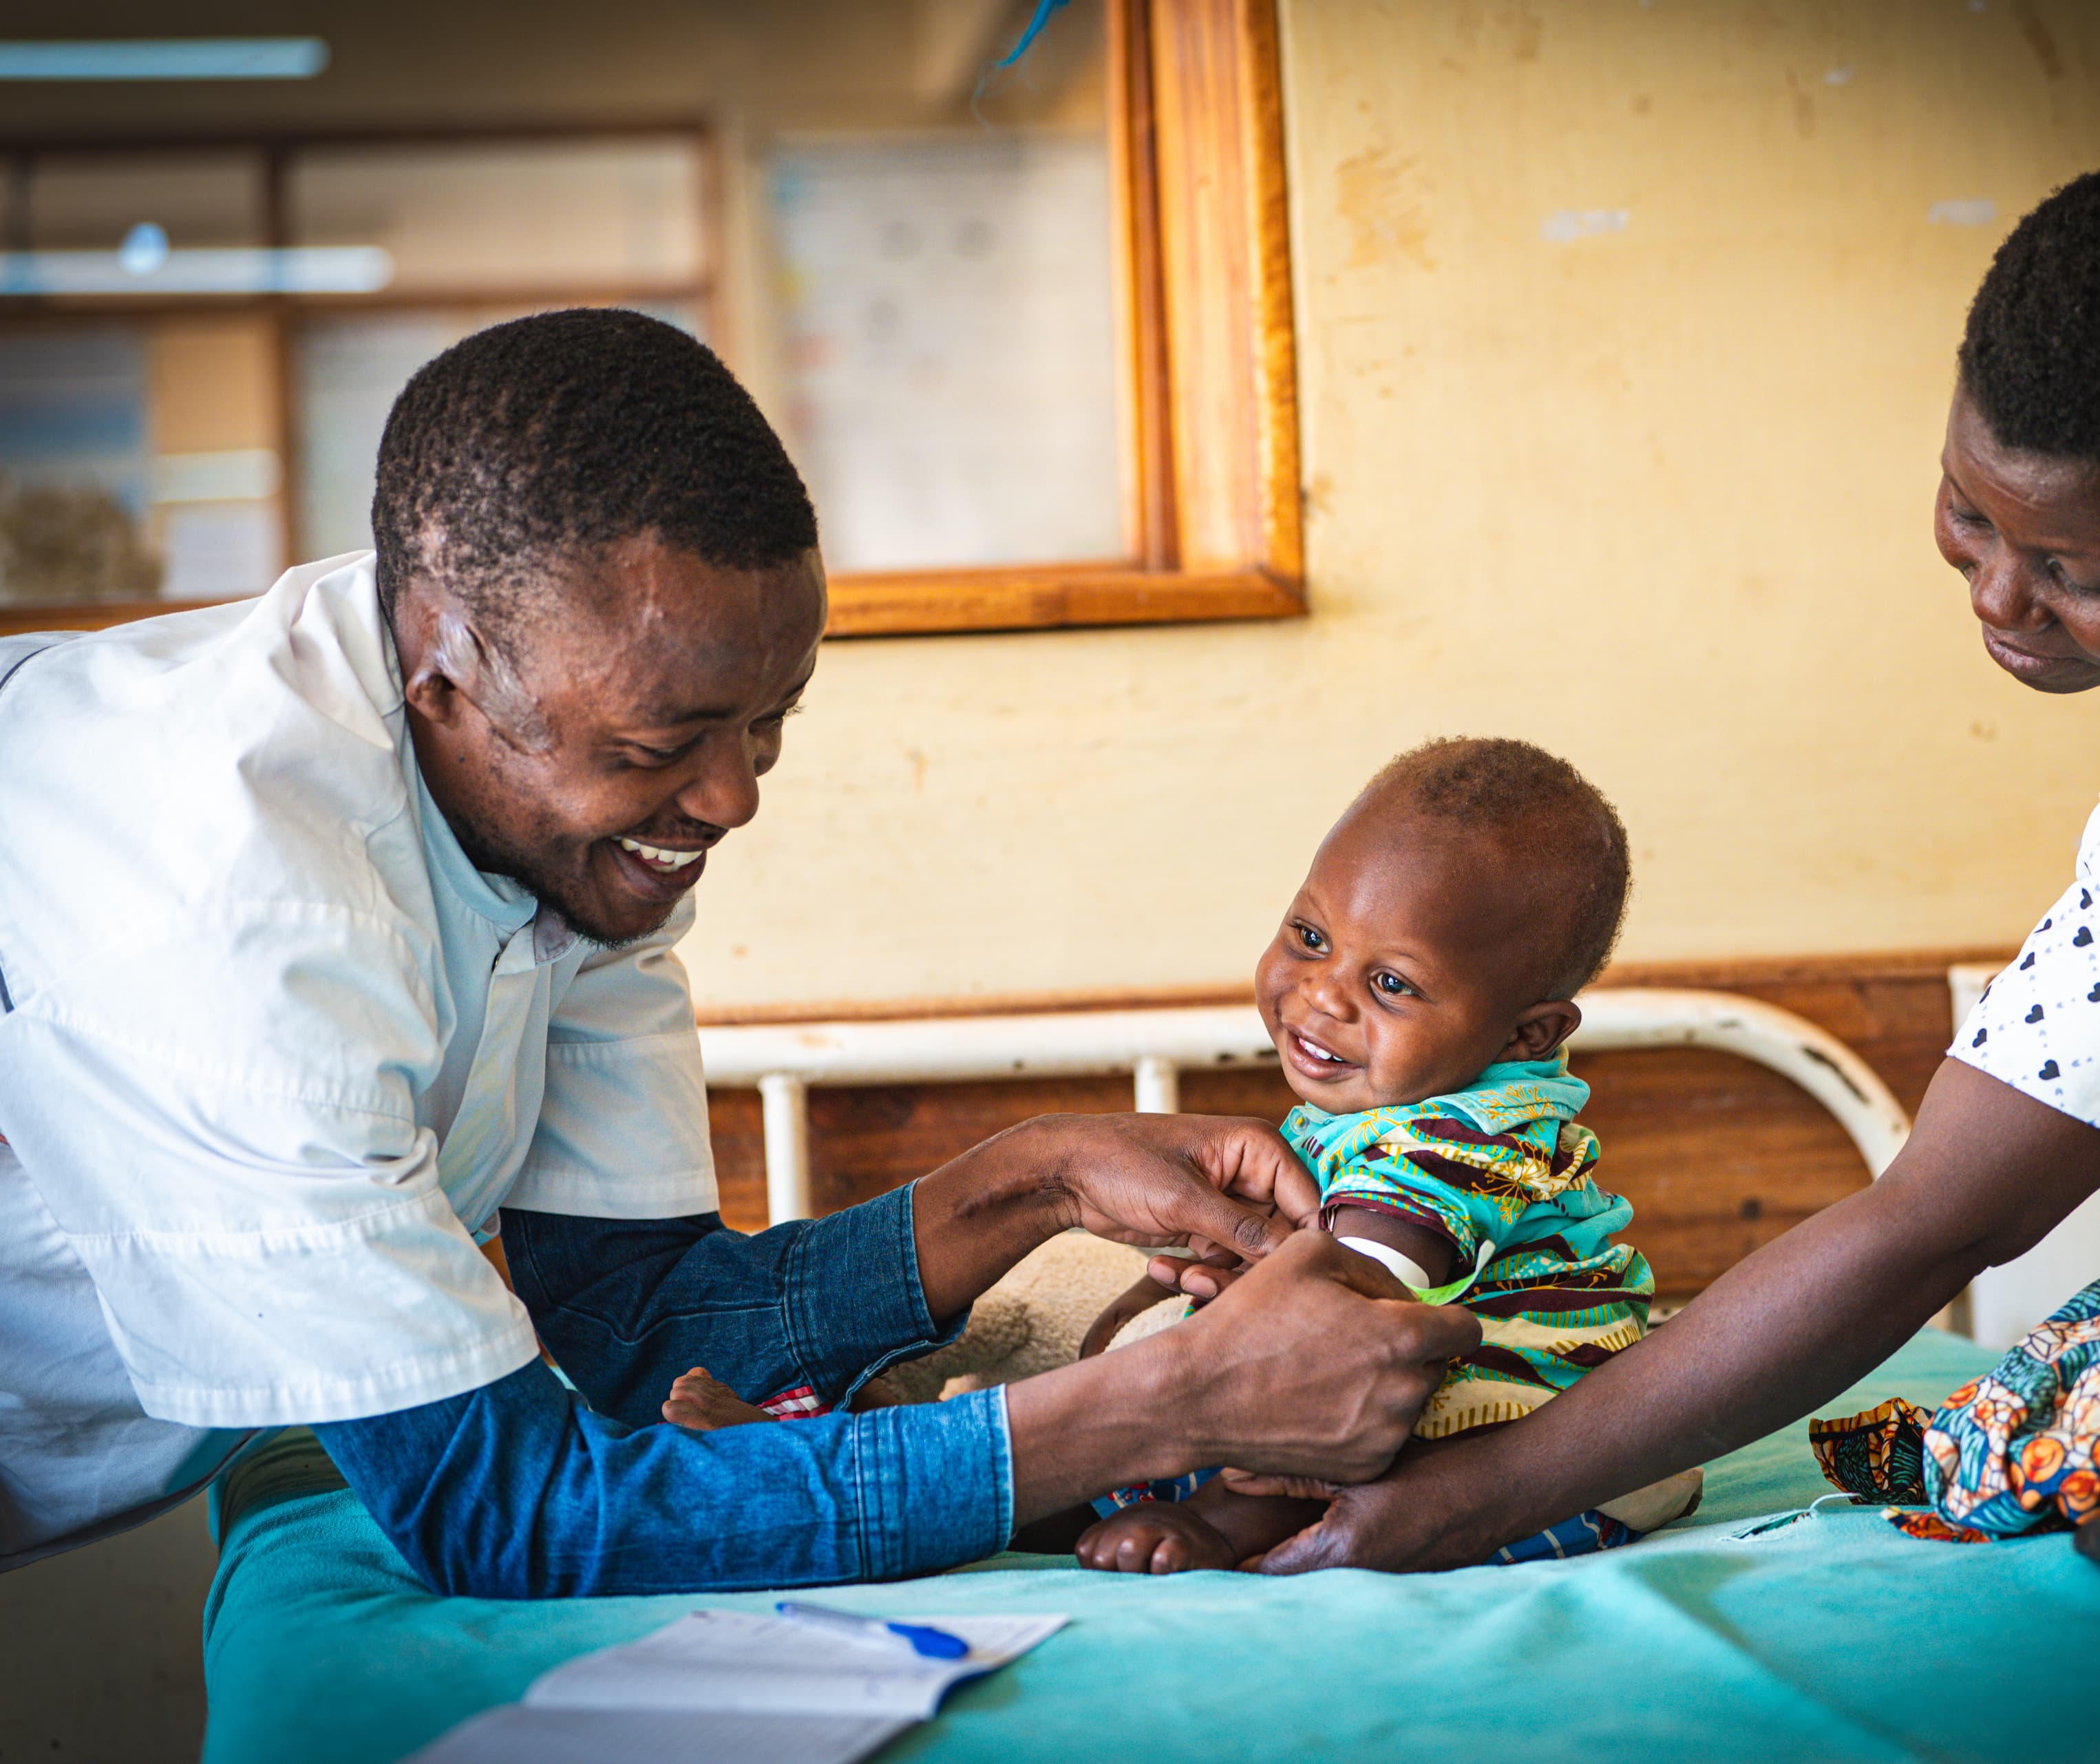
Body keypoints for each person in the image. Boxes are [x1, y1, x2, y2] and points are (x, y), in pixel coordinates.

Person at [1259, 153, 2100, 1575]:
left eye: (2087, 573)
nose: (1999, 596)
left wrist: (1467, 1500)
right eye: (1971, 510)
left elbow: (1936, 1223)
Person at [0, 308, 1476, 1594]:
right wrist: (1165, 1412)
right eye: (666, 744)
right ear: (442, 666)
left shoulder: (559, 805)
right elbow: (505, 1512)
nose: (732, 799)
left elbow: (642, 1322)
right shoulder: (236, 914)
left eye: (770, 721)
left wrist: (1038, 1174)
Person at [673, 737, 1694, 1572]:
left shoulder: (1464, 1137)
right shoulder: (1407, 1106)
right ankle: (861, 1443)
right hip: (1444, 1398)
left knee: (1242, 1401)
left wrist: (1191, 1336)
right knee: (1119, 1399)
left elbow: (1327, 1321)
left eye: (1393, 986)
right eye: (1309, 935)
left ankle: (1198, 1525)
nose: (1324, 995)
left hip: (1525, 1434)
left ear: (1526, 1034)